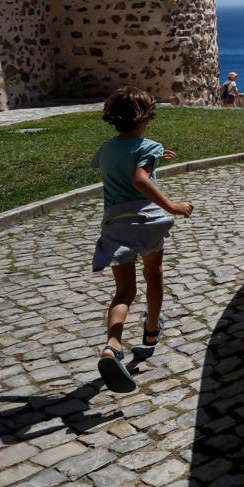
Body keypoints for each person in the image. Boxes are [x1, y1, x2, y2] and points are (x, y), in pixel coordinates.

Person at [90, 87, 195, 394]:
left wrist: (154, 157)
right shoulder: (149, 145)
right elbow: (139, 178)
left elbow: (126, 161)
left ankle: (112, 345)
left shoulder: (106, 149)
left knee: (123, 292)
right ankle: (151, 332)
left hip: (116, 223)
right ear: (147, 117)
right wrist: (172, 205)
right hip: (147, 221)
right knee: (154, 275)